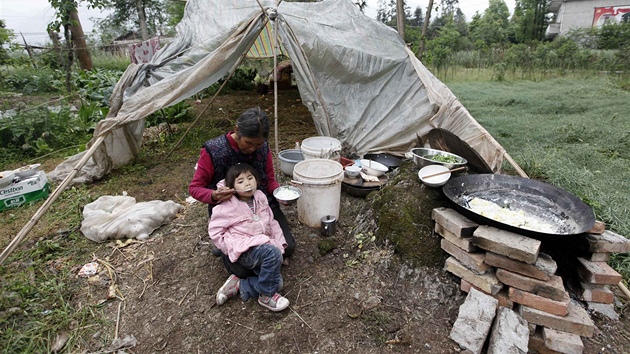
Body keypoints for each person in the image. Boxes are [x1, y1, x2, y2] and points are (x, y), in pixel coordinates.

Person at [188, 107, 295, 279]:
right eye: (249, 143)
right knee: (242, 270)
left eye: (258, 144)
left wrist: (278, 193)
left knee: (287, 247)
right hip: (232, 214)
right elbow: (195, 188)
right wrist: (214, 195)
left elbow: (269, 179)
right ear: (237, 130)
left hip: (261, 206)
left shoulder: (263, 147)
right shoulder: (213, 150)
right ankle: (226, 246)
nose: (253, 149)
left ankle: (247, 252)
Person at [209, 163, 289, 311]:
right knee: (271, 256)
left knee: (277, 284)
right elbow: (215, 231)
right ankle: (266, 296)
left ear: (256, 180)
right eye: (240, 181)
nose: (247, 183)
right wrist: (230, 247)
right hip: (245, 249)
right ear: (232, 187)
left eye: (250, 178)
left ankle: (240, 284)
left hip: (264, 246)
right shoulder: (227, 205)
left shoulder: (260, 197)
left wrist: (280, 244)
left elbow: (272, 222)